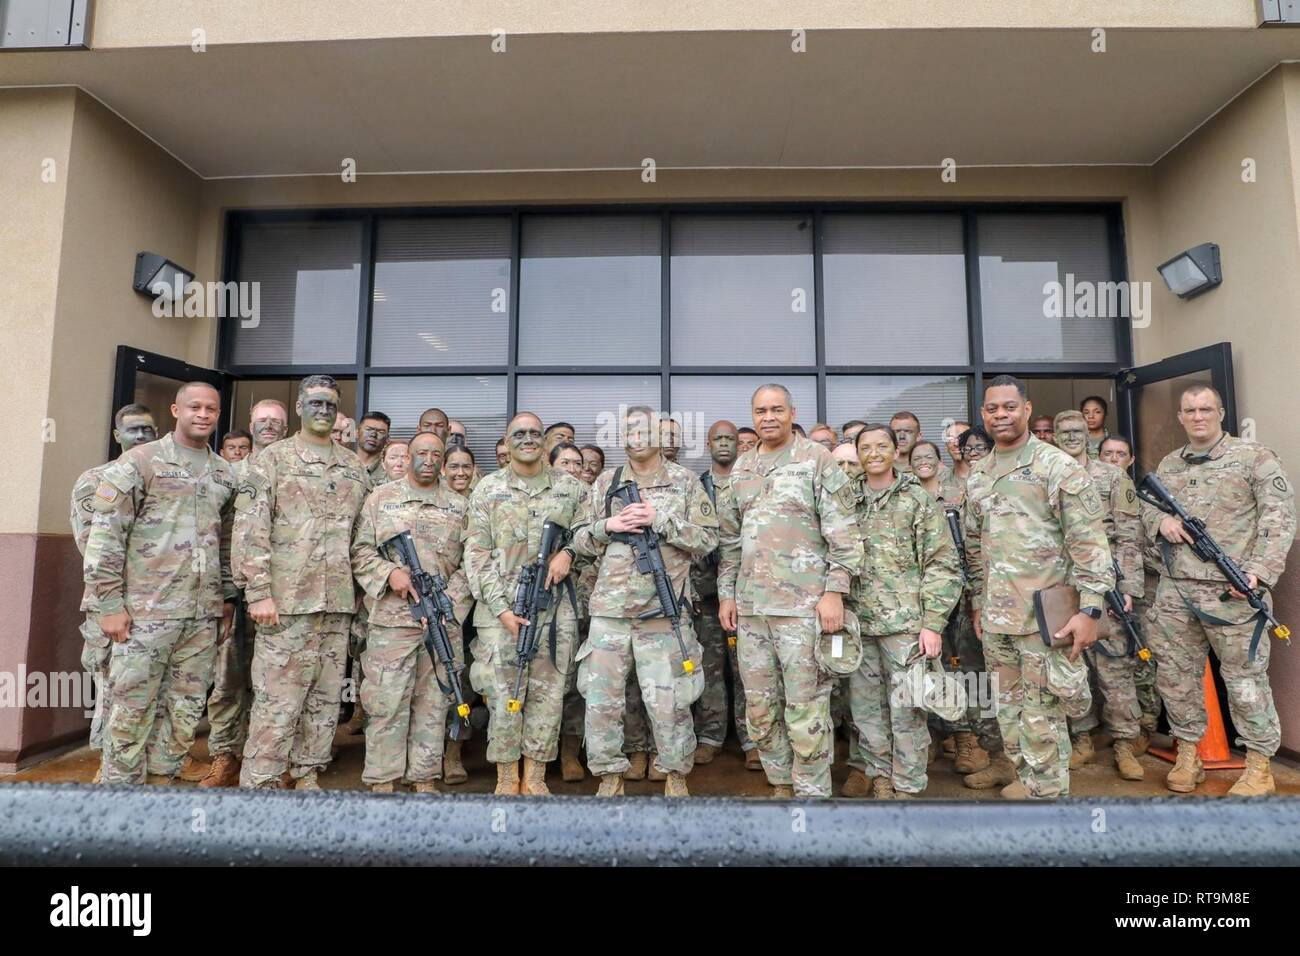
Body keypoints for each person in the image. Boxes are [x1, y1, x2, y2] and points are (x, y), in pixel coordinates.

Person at [1141, 385, 1295, 796]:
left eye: (1205, 408)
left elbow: (1279, 519)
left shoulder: (1255, 458)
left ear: (1221, 412)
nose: (1198, 416)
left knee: (1245, 681)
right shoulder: (1171, 464)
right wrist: (1159, 521)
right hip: (1176, 592)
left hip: (1234, 591)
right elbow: (1144, 504)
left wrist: (1259, 573)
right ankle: (1188, 753)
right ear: (1180, 417)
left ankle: (1259, 764)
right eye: (1189, 410)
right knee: (1175, 678)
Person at [964, 375, 1113, 799]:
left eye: (1009, 406)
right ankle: (1028, 786)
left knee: (1043, 717)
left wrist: (1091, 611)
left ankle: (1049, 805)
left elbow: (1089, 543)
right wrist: (978, 602)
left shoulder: (1056, 466)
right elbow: (975, 546)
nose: (1001, 415)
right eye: (992, 409)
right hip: (997, 620)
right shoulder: (980, 473)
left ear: (1026, 410)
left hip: (1046, 620)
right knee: (1009, 714)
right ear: (983, 415)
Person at [83, 383, 237, 785]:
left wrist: (226, 599)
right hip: (145, 615)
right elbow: (105, 537)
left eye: (211, 408)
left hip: (200, 618)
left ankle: (159, 799)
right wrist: (110, 604)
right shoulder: (140, 462)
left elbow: (225, 541)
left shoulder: (223, 472)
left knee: (183, 715)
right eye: (195, 407)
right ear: (175, 410)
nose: (203, 414)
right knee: (130, 713)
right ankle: (118, 807)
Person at [717, 384, 863, 798]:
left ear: (791, 412)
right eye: (760, 410)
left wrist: (835, 590)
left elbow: (844, 533)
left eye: (776, 409)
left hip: (803, 609)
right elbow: (730, 539)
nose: (768, 418)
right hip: (751, 610)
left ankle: (811, 792)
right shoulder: (743, 468)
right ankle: (781, 781)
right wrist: (727, 593)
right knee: (760, 710)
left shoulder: (815, 460)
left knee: (806, 707)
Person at [570, 405, 718, 797]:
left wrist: (660, 520)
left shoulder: (685, 482)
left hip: (663, 614)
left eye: (645, 431)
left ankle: (675, 776)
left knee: (670, 705)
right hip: (610, 613)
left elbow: (707, 540)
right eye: (629, 432)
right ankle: (609, 777)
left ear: (660, 438)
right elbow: (578, 540)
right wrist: (608, 526)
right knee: (602, 703)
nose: (637, 438)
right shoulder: (606, 483)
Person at [233, 375, 369, 790]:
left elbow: (364, 534)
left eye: (330, 404)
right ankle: (262, 782)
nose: (323, 411)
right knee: (277, 699)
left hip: (337, 602)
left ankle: (307, 773)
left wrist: (362, 592)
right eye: (315, 403)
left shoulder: (354, 466)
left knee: (325, 699)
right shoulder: (271, 461)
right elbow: (250, 528)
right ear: (300, 408)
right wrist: (257, 592)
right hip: (285, 603)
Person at [463, 412, 587, 796]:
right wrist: (502, 610)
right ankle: (505, 775)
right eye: (520, 434)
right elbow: (476, 553)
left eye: (535, 433)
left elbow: (588, 534)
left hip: (554, 611)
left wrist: (568, 552)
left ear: (546, 441)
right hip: (500, 610)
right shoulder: (487, 489)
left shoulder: (571, 488)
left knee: (548, 696)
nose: (529, 439)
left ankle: (534, 776)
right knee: (503, 695)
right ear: (507, 440)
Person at [843, 424, 961, 799]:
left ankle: (908, 786)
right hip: (858, 624)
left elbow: (942, 563)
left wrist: (933, 624)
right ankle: (880, 777)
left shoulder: (916, 500)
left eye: (882, 446)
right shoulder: (846, 499)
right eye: (865, 447)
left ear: (896, 452)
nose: (873, 453)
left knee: (908, 709)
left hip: (906, 626)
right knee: (866, 710)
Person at [350, 431, 472, 793]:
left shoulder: (458, 505)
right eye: (421, 453)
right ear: (407, 455)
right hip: (393, 620)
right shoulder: (380, 499)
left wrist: (449, 602)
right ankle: (383, 779)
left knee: (434, 702)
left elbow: (472, 564)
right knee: (387, 703)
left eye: (436, 454)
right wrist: (391, 574)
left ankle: (424, 777)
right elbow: (360, 552)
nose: (429, 460)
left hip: (442, 621)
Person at [200, 397, 291, 788]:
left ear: (285, 428)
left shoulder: (295, 469)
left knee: (277, 685)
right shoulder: (228, 474)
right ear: (250, 426)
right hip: (235, 595)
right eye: (262, 420)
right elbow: (212, 534)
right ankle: (225, 755)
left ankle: (271, 760)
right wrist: (223, 592)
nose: (269, 426)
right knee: (228, 681)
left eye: (276, 421)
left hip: (285, 596)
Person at [1052, 411, 1146, 781]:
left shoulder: (1112, 476)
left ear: (1090, 435)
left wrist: (1128, 587)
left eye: (1078, 431)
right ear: (1055, 435)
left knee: (1114, 668)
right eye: (1065, 431)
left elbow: (1129, 535)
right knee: (1070, 664)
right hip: (1061, 586)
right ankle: (1082, 738)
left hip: (1106, 583)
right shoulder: (1047, 474)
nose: (1072, 436)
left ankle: (1125, 742)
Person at [70, 403, 157, 782]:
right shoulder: (96, 481)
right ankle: (108, 771)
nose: (141, 437)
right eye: (134, 430)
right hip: (113, 604)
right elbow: (94, 544)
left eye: (148, 430)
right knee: (113, 689)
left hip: (158, 606)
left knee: (150, 688)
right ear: (117, 435)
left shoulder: (165, 477)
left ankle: (144, 767)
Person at [689, 420, 757, 769]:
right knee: (710, 669)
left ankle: (754, 739)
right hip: (706, 594)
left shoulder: (753, 483)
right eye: (719, 439)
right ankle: (710, 736)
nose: (726, 444)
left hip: (748, 593)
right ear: (708, 444)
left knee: (749, 669)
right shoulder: (697, 486)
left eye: (731, 438)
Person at [909, 440, 962, 505]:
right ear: (910, 466)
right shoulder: (903, 497)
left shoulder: (957, 495)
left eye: (929, 457)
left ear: (940, 462)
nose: (923, 462)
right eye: (917, 458)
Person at [356, 412, 391, 485]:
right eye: (368, 429)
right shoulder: (340, 466)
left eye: (380, 432)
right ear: (357, 432)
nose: (373, 435)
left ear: (387, 439)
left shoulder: (390, 472)